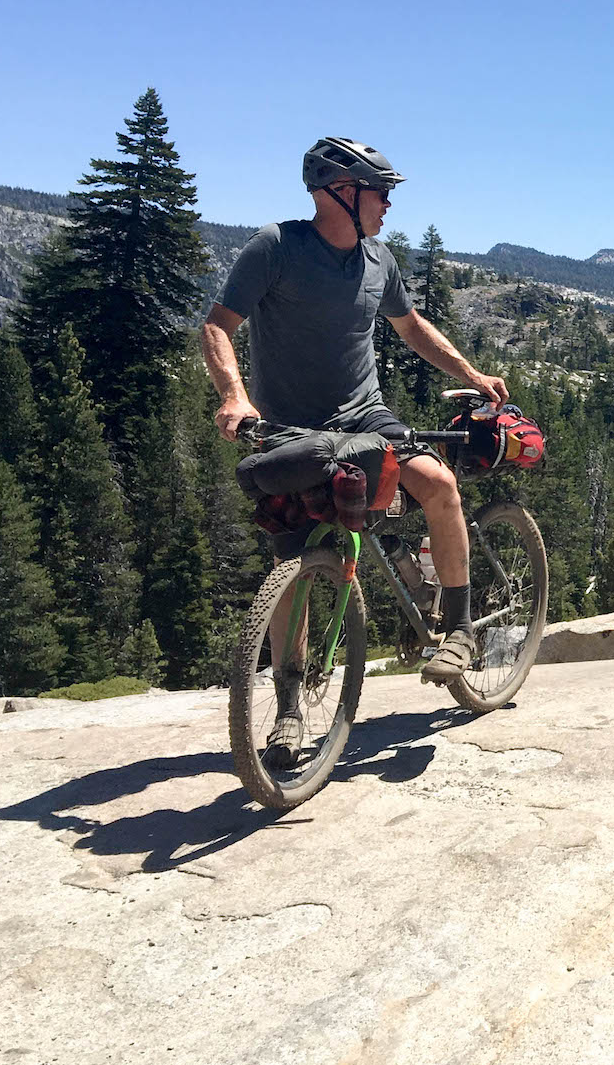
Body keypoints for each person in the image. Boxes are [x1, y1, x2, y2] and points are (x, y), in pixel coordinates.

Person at [201, 137, 507, 758]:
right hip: (292, 426)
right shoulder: (277, 248)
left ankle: (458, 630)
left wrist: (470, 375)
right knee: (296, 558)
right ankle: (289, 711)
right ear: (342, 192)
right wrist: (235, 396)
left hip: (368, 417)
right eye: (382, 191)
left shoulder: (379, 260)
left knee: (440, 486)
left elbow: (411, 326)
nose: (390, 203)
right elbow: (217, 325)